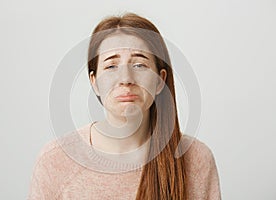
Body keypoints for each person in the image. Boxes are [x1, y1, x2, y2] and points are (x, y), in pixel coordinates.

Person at [28, 13, 221, 200]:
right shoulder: (54, 161)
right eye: (111, 66)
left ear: (160, 80)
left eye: (139, 65)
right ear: (94, 81)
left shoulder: (196, 159)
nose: (126, 79)